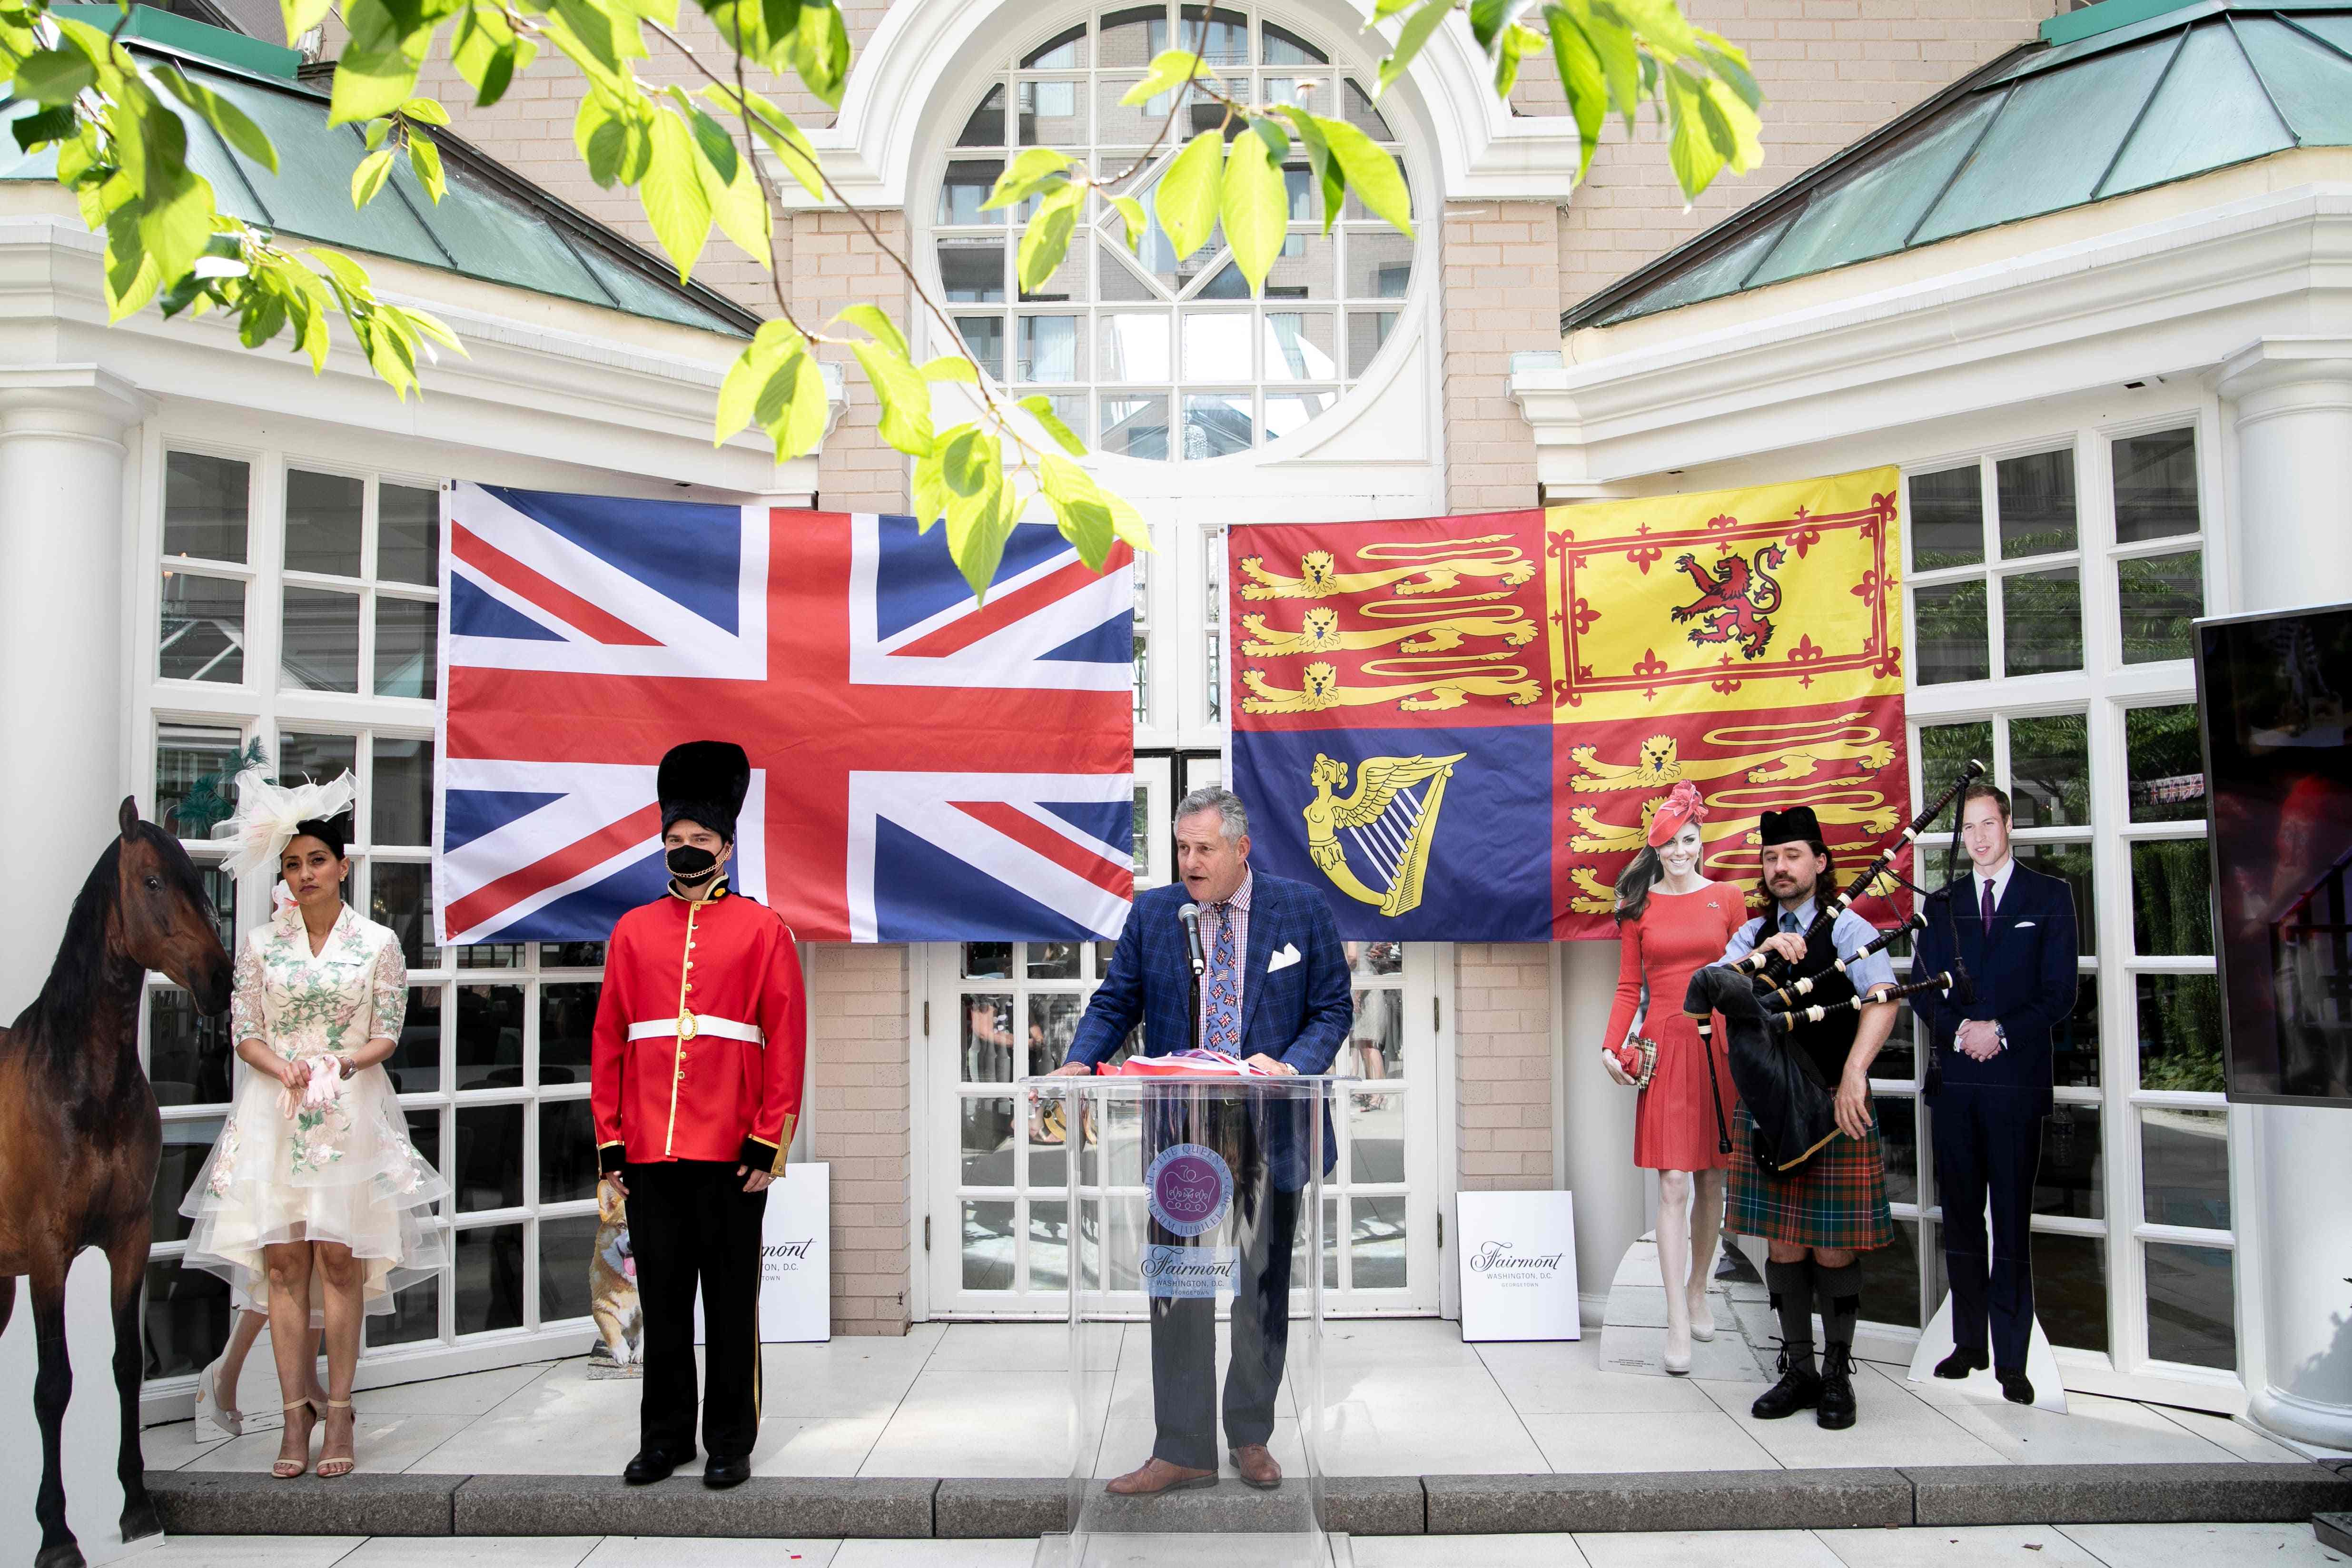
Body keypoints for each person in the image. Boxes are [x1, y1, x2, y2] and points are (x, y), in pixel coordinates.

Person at [1049, 785, 1351, 1495]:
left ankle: (1249, 1432)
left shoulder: (1300, 909)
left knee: (1261, 1284)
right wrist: (1079, 1056)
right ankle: (1181, 1445)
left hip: (1272, 1123)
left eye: (1204, 848)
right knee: (1177, 1286)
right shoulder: (1156, 912)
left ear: (1241, 848)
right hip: (1182, 1129)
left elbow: (1332, 1005)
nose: (1189, 861)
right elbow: (1117, 999)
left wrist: (1293, 1063)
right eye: (1182, 847)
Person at [181, 772, 449, 1479]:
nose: (304, 874)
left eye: (317, 861)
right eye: (292, 864)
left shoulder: (380, 941)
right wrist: (281, 1065)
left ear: (342, 866)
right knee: (283, 1266)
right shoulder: (263, 944)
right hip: (276, 1111)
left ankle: (339, 1409)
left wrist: (341, 1059)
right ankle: (293, 1413)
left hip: (351, 1109)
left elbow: (388, 1030)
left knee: (339, 1257)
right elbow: (244, 1028)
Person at [593, 741, 806, 1490]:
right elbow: (609, 1039)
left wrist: (767, 1138)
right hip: (650, 1147)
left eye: (700, 841)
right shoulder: (630, 930)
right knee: (664, 1301)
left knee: (726, 1300)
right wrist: (611, 1139)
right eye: (674, 840)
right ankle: (664, 1439)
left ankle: (728, 1438)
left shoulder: (763, 929)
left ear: (727, 846)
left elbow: (785, 1041)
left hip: (731, 1149)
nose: (685, 852)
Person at [1714, 805, 1899, 1431]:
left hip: (1829, 1098)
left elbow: (1881, 1000)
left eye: (1792, 855)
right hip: (1771, 1104)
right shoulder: (1752, 934)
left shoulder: (1844, 926)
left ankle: (1838, 1372)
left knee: (1832, 1241)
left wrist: (1854, 1074)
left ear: (1819, 862)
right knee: (1785, 1239)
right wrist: (1762, 951)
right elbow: (1711, 989)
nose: (1779, 867)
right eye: (1770, 858)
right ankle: (1797, 1368)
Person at [1909, 782, 2078, 1405]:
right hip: (1955, 1085)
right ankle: (1967, 1344)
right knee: (1960, 1220)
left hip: (2013, 1084)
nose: (1979, 837)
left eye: (1988, 823)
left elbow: (2059, 991)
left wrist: (1999, 1031)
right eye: (1970, 827)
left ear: (2007, 825)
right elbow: (1923, 988)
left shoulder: (2049, 896)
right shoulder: (1944, 901)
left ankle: (2011, 1357)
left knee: (2008, 1221)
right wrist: (1958, 1029)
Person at [1598, 782, 1747, 1374]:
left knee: (1712, 1178)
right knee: (1672, 1183)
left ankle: (1698, 1288)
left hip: (1722, 1041)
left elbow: (1746, 973)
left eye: (1689, 839)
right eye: (1670, 843)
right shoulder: (1639, 909)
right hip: (1663, 1040)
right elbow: (1627, 988)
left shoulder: (1729, 897)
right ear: (1656, 848)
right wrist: (1611, 1046)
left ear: (1701, 840)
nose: (1681, 851)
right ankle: (1675, 1319)